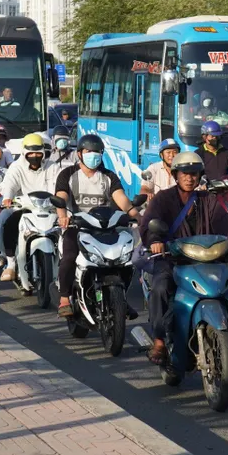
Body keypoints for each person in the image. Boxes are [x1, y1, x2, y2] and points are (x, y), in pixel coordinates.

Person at [139, 151, 228, 364]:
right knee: (161, 288)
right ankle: (160, 340)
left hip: (205, 260)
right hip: (172, 258)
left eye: (194, 174)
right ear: (176, 175)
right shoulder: (163, 199)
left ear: (200, 176)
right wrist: (155, 240)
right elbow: (149, 223)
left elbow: (224, 223)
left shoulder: (209, 200)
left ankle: (227, 332)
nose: (189, 178)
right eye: (184, 174)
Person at [54, 134, 140, 318]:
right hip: (76, 227)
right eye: (88, 151)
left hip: (105, 227)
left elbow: (121, 199)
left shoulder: (108, 176)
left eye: (97, 152)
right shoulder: (67, 174)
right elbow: (61, 197)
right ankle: (64, 298)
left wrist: (137, 215)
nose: (93, 155)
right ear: (79, 154)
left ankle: (121, 299)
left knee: (125, 259)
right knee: (69, 256)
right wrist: (62, 216)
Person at [0, 133, 58, 282]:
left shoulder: (52, 167)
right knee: (5, 217)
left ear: (43, 152)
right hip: (24, 207)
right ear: (24, 153)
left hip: (48, 209)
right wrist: (7, 198)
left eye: (38, 152)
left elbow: (59, 186)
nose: (34, 156)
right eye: (31, 153)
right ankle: (9, 263)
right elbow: (10, 183)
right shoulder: (17, 167)